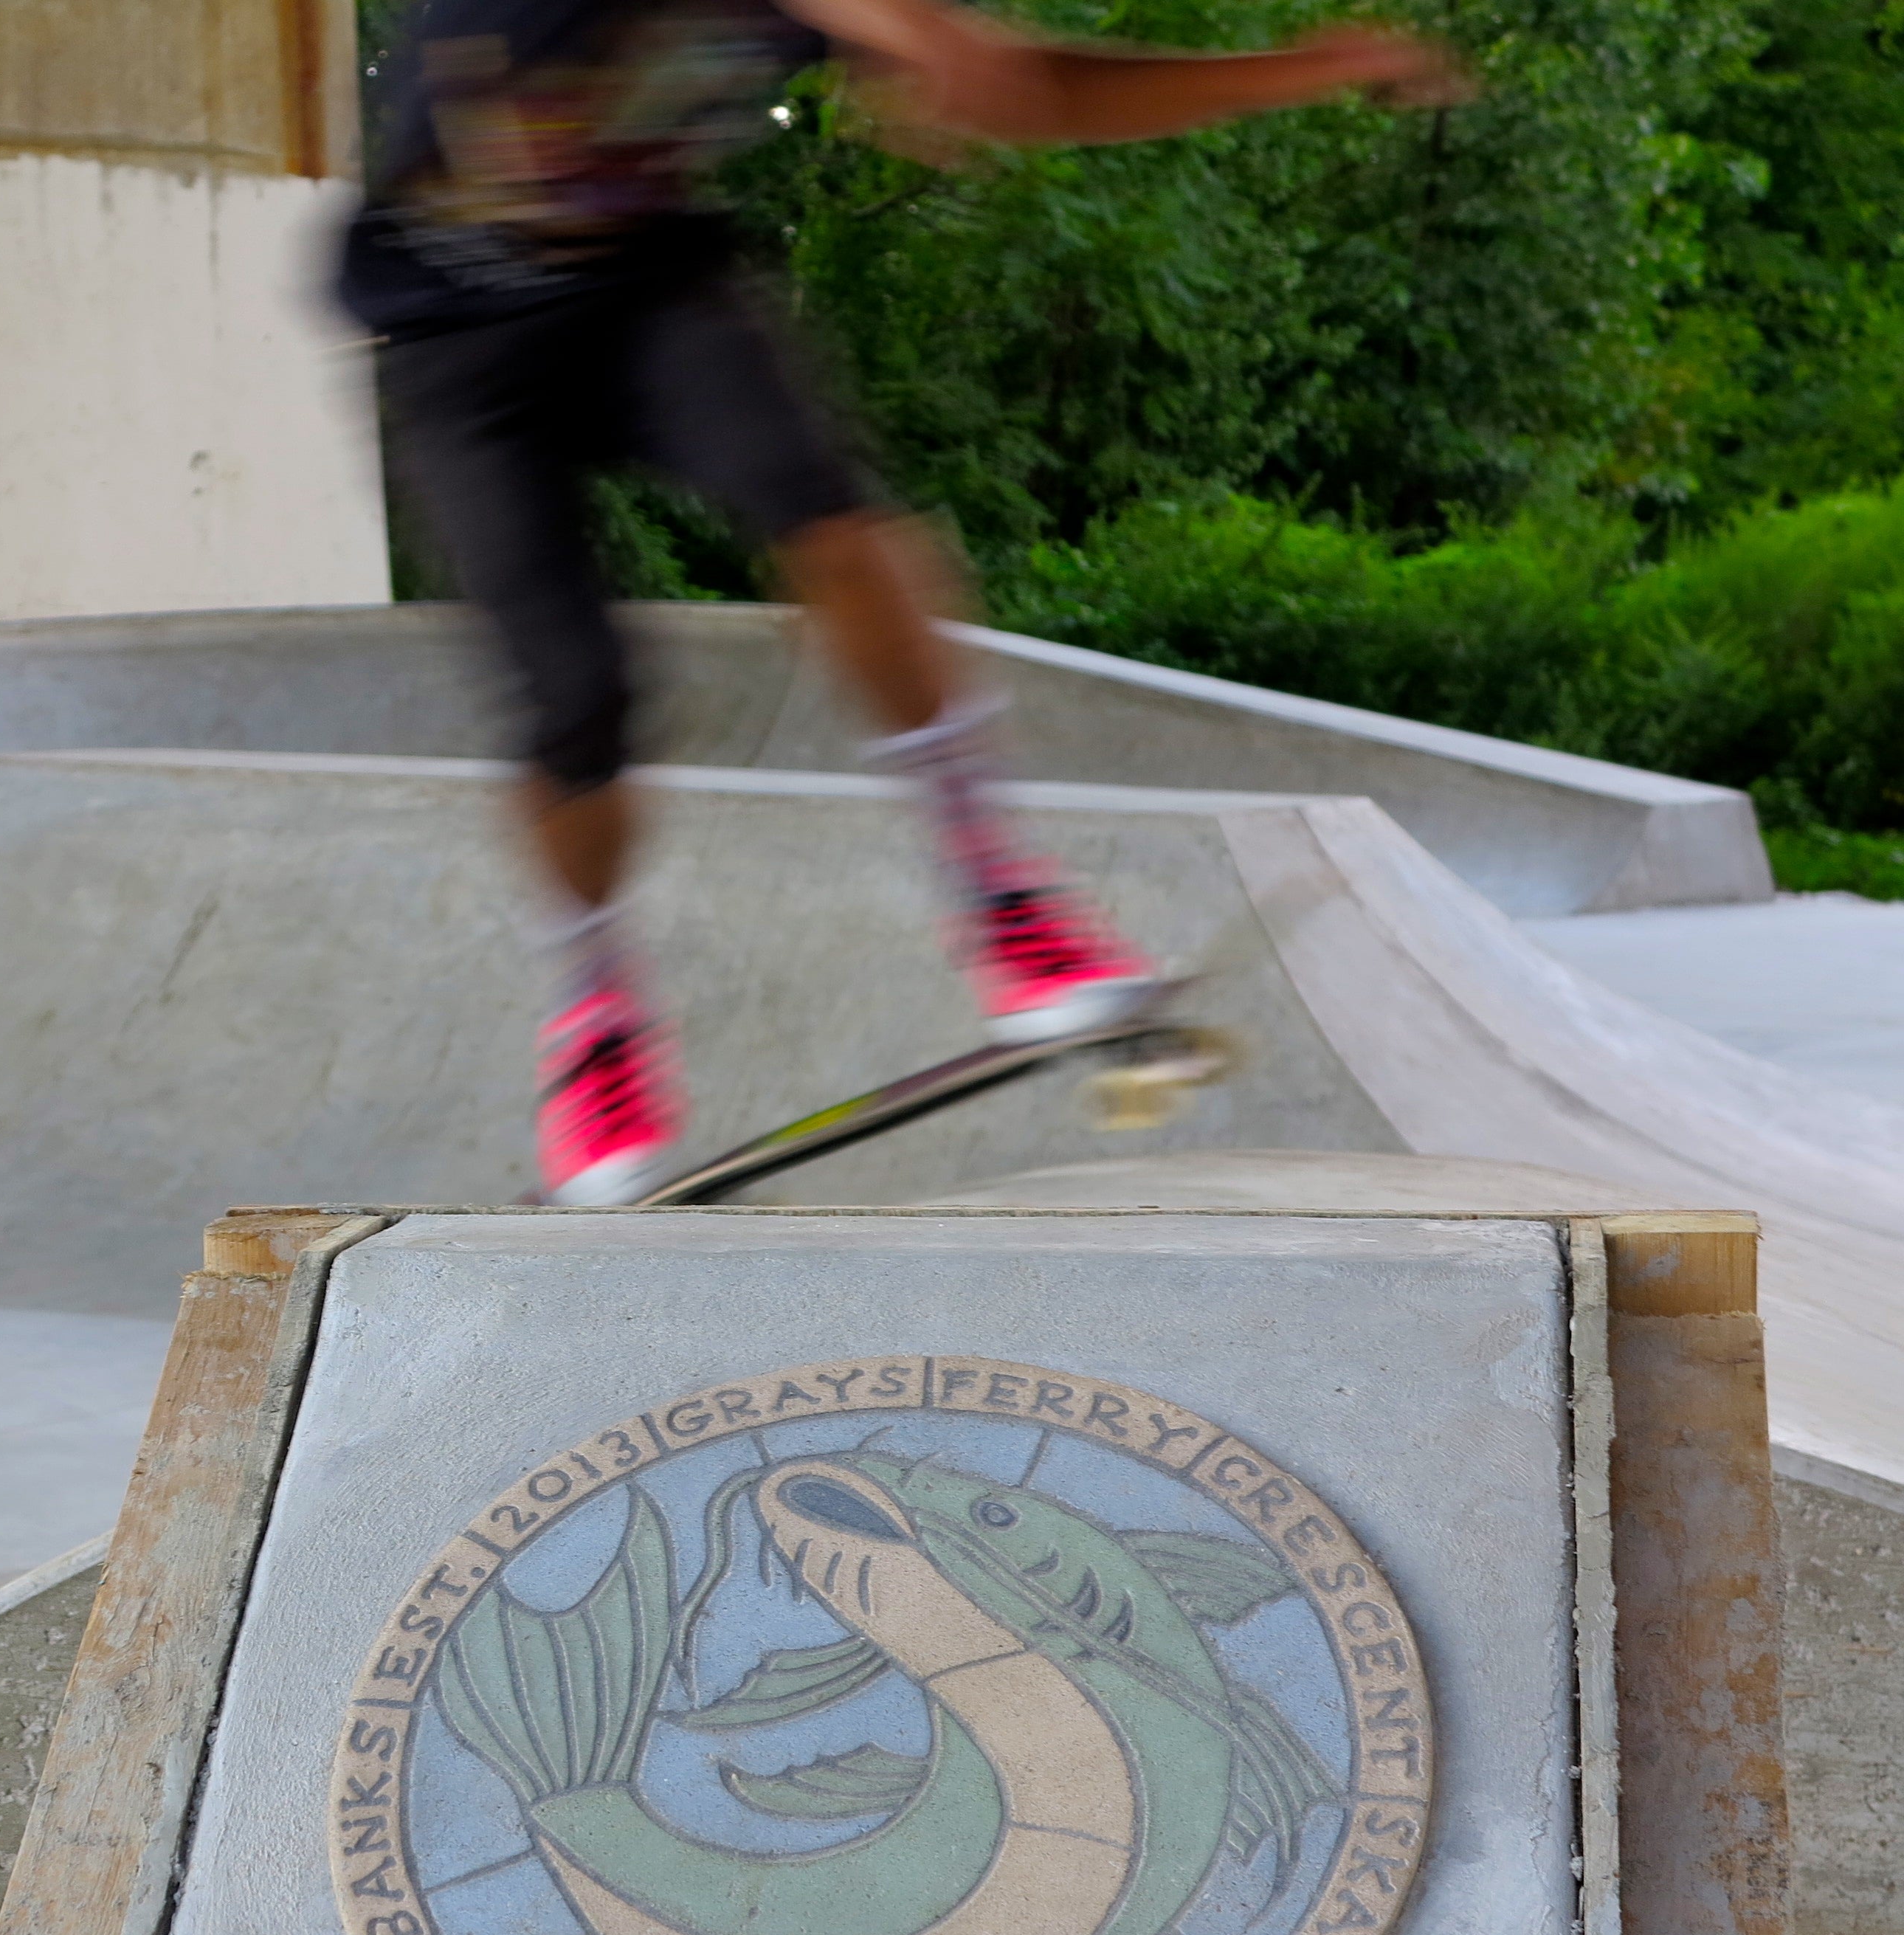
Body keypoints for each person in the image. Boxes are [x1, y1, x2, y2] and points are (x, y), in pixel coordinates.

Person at [341, 0, 1465, 1203]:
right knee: (577, 701)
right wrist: (912, 38)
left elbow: (1036, 90)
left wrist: (1300, 70)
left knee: (830, 517)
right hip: (456, 340)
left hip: (645, 288)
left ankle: (1002, 903)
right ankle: (593, 1025)